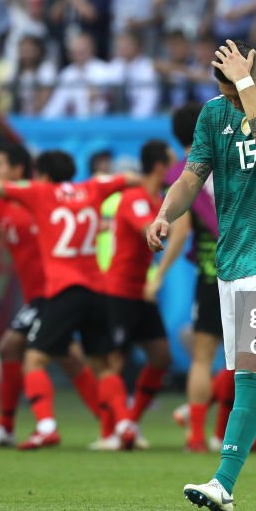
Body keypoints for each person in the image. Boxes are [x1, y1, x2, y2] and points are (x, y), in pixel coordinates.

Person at [148, 39, 256, 511]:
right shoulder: (213, 113)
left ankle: (223, 483)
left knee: (250, 367)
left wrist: (245, 86)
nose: (229, 101)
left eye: (238, 87)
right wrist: (165, 213)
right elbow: (192, 175)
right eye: (223, 92)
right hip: (235, 260)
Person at [0, 145, 139, 449]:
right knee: (101, 364)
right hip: (97, 290)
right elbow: (130, 178)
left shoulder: (39, 193)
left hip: (62, 290)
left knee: (33, 359)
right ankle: (124, 425)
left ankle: (46, 426)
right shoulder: (93, 187)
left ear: (42, 175)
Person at [0, 145, 103, 448]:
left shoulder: (37, 197)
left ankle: (31, 426)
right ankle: (111, 424)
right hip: (38, 296)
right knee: (67, 358)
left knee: (16, 348)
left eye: (0, 164)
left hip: (54, 292)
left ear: (19, 170)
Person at [150, 103, 225, 452]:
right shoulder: (231, 157)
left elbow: (178, 234)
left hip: (213, 273)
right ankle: (238, 434)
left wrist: (159, 275)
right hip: (252, 265)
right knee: (255, 359)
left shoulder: (183, 172)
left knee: (201, 357)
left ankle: (196, 434)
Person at [100, 140, 175, 448]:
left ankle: (128, 423)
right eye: (171, 161)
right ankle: (117, 428)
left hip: (140, 291)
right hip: (119, 289)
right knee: (115, 361)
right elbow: (147, 227)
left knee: (161, 357)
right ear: (159, 165)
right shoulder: (134, 197)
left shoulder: (158, 198)